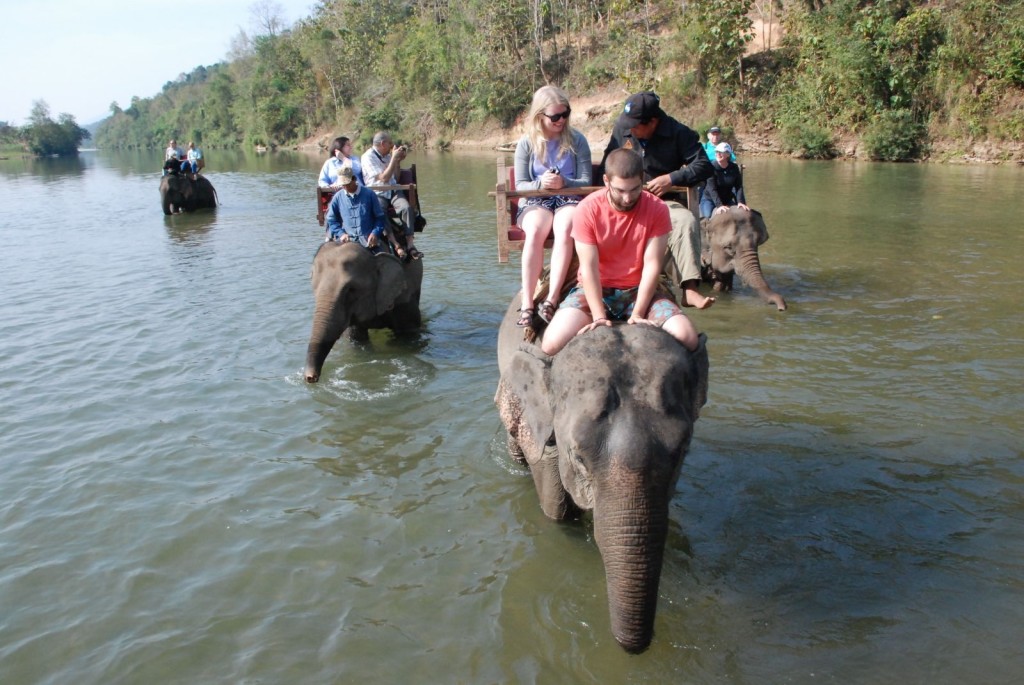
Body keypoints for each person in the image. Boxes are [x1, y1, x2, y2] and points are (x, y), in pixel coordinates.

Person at [540, 149, 700, 357]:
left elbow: (652, 265)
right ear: (606, 181)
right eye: (620, 190)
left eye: (634, 190)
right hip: (596, 290)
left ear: (642, 180)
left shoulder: (658, 209)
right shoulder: (587, 209)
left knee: (688, 337)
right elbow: (589, 268)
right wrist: (598, 317)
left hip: (637, 290)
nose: (627, 198)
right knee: (550, 344)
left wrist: (638, 313)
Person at [601, 92, 715, 309]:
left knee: (686, 221)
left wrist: (672, 178)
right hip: (622, 198)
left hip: (662, 203)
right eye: (628, 124)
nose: (630, 129)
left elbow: (704, 165)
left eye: (635, 125)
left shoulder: (678, 133)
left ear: (653, 122)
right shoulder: (623, 129)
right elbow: (608, 161)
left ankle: (690, 289)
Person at [513, 85, 592, 327]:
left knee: (567, 226)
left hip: (569, 196)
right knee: (535, 229)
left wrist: (563, 182)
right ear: (540, 116)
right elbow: (520, 185)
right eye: (555, 116)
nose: (561, 120)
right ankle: (527, 302)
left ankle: (552, 298)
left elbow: (586, 181)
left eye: (565, 114)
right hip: (536, 198)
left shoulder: (577, 140)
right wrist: (541, 183)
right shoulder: (526, 144)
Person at [361, 131, 421, 260]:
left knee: (406, 208)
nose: (392, 145)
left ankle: (410, 243)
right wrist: (393, 157)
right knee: (380, 213)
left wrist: (397, 161)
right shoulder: (368, 157)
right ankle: (395, 244)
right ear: (383, 144)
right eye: (390, 143)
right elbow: (384, 178)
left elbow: (395, 178)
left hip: (393, 190)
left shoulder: (387, 155)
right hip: (377, 192)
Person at [324, 166, 397, 255]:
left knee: (383, 263)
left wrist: (375, 233)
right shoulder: (337, 197)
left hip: (368, 242)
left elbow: (380, 218)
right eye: (343, 185)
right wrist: (341, 233)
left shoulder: (370, 194)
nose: (345, 187)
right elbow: (331, 219)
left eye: (347, 184)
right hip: (346, 243)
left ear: (354, 179)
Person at [701, 142, 749, 219]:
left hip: (727, 199)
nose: (718, 154)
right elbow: (712, 189)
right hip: (710, 200)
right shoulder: (711, 168)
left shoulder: (734, 167)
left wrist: (740, 202)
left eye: (721, 152)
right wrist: (719, 205)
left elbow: (738, 186)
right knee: (707, 216)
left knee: (740, 214)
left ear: (728, 154)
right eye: (717, 152)